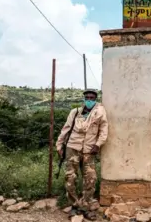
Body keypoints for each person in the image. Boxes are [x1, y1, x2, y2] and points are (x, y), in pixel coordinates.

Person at [56, 89, 108, 221]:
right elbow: (65, 129)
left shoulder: (99, 113)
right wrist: (59, 145)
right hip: (72, 148)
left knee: (91, 178)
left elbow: (103, 130)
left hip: (89, 150)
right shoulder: (75, 113)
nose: (89, 100)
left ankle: (85, 206)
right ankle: (74, 205)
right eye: (87, 98)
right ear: (84, 99)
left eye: (92, 98)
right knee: (70, 178)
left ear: (95, 99)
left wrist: (98, 144)